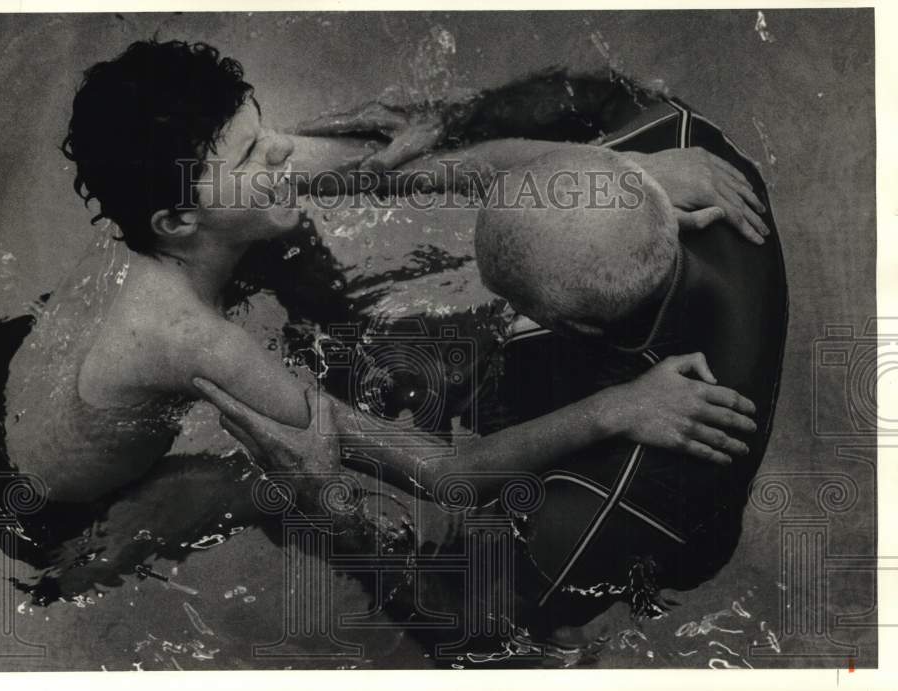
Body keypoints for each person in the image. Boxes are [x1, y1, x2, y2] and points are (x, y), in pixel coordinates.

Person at [200, 75, 787, 635]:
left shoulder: (604, 505)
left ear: (568, 323)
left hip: (608, 538)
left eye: (508, 300)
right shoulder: (684, 151)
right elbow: (593, 95)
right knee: (315, 295)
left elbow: (462, 624)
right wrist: (457, 116)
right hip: (597, 363)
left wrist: (330, 505)